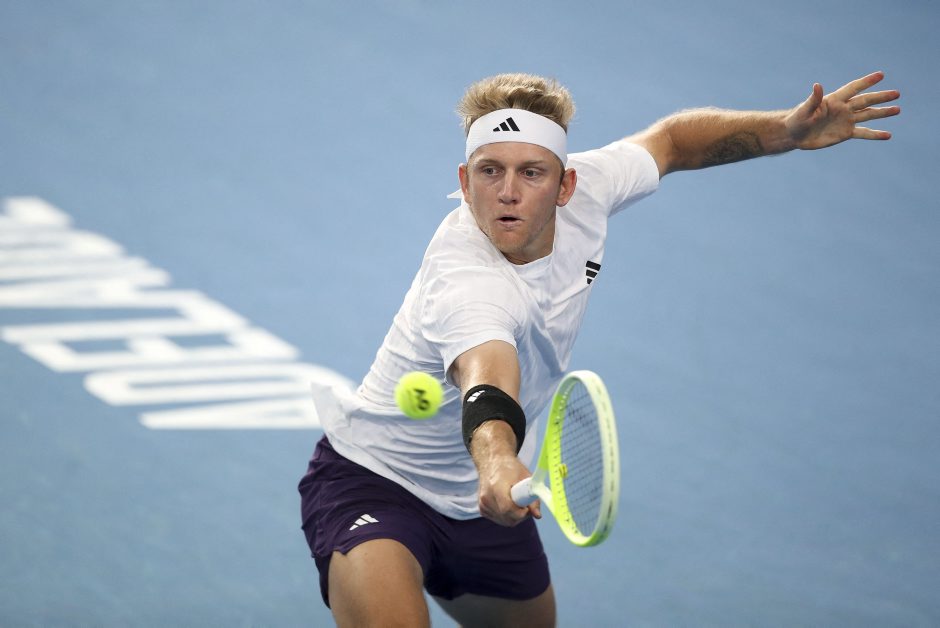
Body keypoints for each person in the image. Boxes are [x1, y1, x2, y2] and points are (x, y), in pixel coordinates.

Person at [299, 71, 899, 627]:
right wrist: (498, 460)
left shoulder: (594, 190)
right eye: (490, 171)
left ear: (567, 185)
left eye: (532, 173)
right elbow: (487, 381)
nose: (507, 192)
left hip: (482, 509)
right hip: (374, 481)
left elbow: (672, 142)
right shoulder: (466, 282)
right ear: (464, 181)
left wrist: (784, 131)